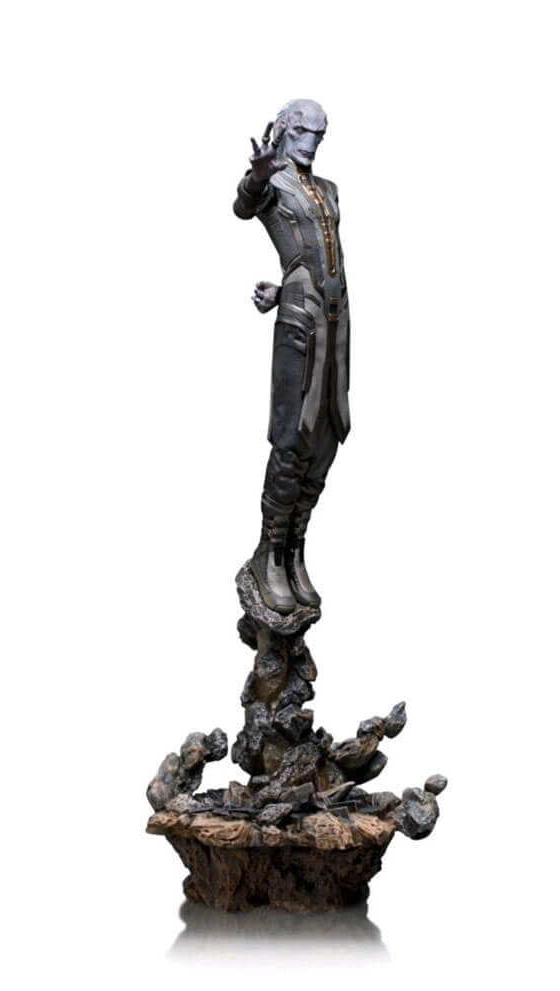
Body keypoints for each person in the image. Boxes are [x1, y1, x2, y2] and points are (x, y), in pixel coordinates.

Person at [233, 99, 350, 613]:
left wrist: (284, 289)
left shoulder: (328, 190)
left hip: (337, 322)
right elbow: (245, 205)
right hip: (301, 327)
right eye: (303, 130)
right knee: (292, 435)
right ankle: (270, 555)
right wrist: (257, 176)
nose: (312, 142)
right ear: (283, 129)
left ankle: (295, 548)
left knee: (328, 432)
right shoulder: (272, 182)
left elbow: (317, 259)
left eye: (319, 134)